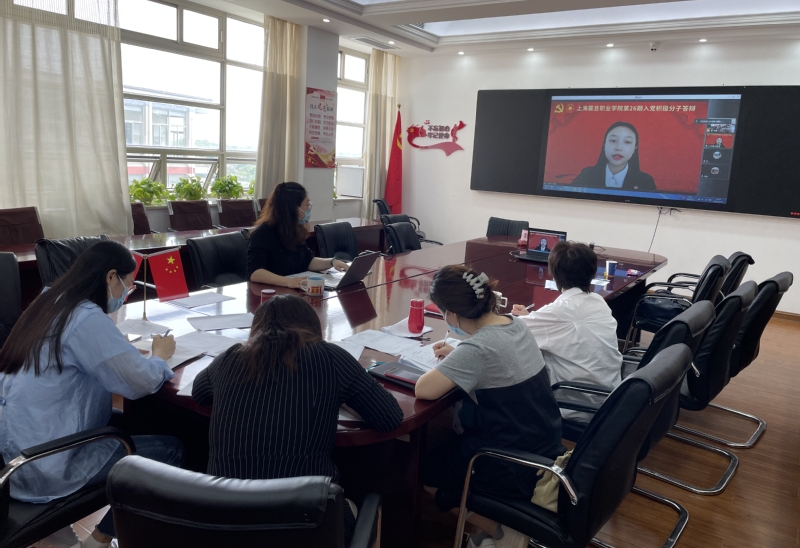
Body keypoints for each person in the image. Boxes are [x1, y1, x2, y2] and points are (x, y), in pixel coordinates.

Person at [0, 241, 184, 548]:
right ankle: (98, 541)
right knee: (172, 450)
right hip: (45, 461)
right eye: (128, 284)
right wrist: (159, 356)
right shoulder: (84, 317)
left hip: (14, 451)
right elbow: (139, 381)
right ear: (110, 277)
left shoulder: (50, 299)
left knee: (125, 421)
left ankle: (59, 538)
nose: (126, 292)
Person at [192, 294, 403, 545]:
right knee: (357, 499)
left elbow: (199, 392)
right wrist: (343, 394)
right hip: (308, 529)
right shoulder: (330, 357)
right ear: (313, 327)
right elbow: (389, 417)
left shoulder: (230, 358)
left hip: (227, 527)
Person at [415, 265, 563, 548]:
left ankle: (500, 530)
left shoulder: (478, 349)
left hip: (509, 462)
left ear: (452, 314)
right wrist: (459, 356)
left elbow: (424, 389)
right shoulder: (515, 324)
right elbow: (496, 359)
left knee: (422, 470)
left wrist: (459, 358)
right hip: (543, 446)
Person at [511, 242, 622, 422]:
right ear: (593, 272)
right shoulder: (598, 301)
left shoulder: (560, 311)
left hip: (575, 407)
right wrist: (531, 317)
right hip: (610, 398)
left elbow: (508, 331)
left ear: (554, 274)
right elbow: (562, 323)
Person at [247, 181, 350, 287]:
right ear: (292, 208)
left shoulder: (294, 229)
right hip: (272, 290)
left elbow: (308, 261)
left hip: (296, 288)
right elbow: (255, 273)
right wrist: (287, 282)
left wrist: (332, 262)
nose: (308, 209)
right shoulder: (262, 233)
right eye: (307, 205)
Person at [571, 121, 657, 191]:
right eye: (613, 141)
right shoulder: (587, 175)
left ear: (635, 148)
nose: (618, 148)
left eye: (627, 142)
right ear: (604, 144)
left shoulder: (645, 182)